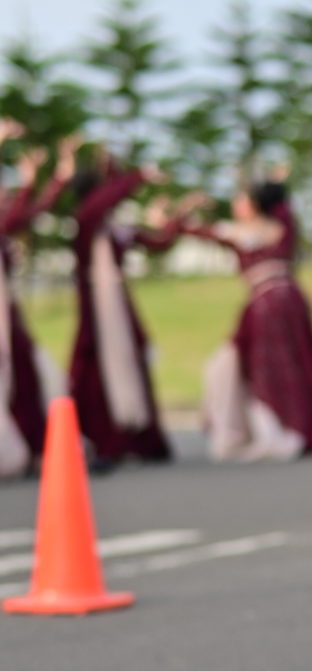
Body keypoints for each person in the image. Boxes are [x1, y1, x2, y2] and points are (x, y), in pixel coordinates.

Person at [186, 181, 312, 461]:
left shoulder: (243, 231)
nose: (236, 204)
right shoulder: (279, 228)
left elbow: (191, 229)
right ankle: (286, 429)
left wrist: (186, 209)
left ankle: (278, 433)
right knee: (289, 365)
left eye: (242, 199)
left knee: (268, 368)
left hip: (267, 306)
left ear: (254, 204)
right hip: (288, 300)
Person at [68, 154, 185, 468]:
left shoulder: (113, 229)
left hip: (119, 306)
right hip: (97, 310)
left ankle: (138, 439)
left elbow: (159, 241)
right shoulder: (86, 220)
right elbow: (104, 201)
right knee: (95, 371)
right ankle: (101, 439)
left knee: (132, 363)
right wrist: (139, 176)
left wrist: (178, 216)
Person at [0, 126, 76, 476]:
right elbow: (19, 214)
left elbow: (27, 213)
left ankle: (33, 444)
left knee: (26, 373)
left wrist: (56, 178)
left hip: (8, 311)